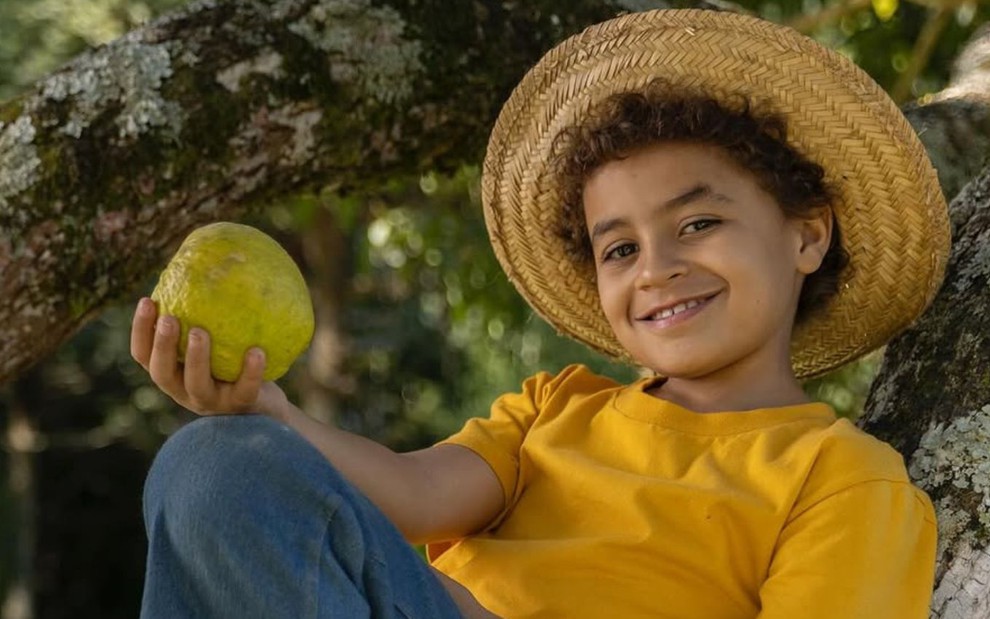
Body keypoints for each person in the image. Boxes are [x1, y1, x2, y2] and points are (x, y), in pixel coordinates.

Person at [131, 9, 948, 619]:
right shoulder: (558, 408)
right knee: (211, 463)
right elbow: (412, 494)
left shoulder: (842, 477)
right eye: (619, 248)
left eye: (698, 223)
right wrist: (268, 413)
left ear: (807, 235)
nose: (657, 267)